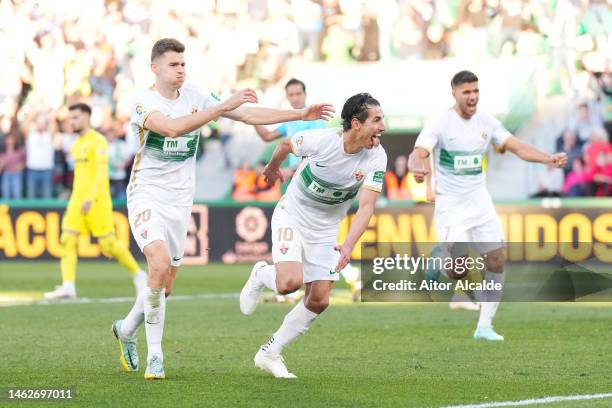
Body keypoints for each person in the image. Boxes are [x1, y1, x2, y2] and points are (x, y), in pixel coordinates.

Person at [110, 38, 334, 380]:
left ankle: (126, 329)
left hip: (180, 200)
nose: (181, 70)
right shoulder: (142, 102)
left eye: (183, 64)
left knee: (164, 286)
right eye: (173, 64)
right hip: (147, 194)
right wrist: (219, 108)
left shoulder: (196, 94)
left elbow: (245, 114)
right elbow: (171, 127)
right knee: (156, 264)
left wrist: (299, 114)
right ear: (155, 68)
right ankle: (155, 355)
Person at [408, 70, 567, 341]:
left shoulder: (487, 122)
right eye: (467, 92)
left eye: (476, 91)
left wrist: (547, 158)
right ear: (454, 94)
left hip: (480, 202)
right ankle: (440, 259)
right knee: (458, 269)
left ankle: (484, 326)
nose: (472, 97)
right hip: (451, 206)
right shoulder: (440, 124)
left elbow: (516, 146)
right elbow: (418, 153)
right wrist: (417, 168)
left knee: (496, 260)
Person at [239, 93, 387, 378]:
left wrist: (347, 246)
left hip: (325, 230)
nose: (383, 126)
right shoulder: (322, 140)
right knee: (288, 284)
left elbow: (366, 207)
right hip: (292, 215)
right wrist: (272, 168)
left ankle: (270, 353)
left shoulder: (376, 157)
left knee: (319, 300)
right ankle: (260, 275)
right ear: (356, 124)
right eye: (377, 120)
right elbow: (284, 144)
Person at [44, 103, 147, 300]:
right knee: (67, 240)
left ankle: (139, 274)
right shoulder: (75, 145)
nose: (71, 121)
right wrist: (75, 196)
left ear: (86, 117)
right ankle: (68, 286)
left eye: (75, 117)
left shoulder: (98, 141)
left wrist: (90, 198)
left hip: (97, 200)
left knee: (108, 244)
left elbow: (101, 175)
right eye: (70, 118)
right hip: (77, 200)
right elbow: (81, 176)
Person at [253, 78, 327, 169]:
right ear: (287, 97)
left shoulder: (315, 116)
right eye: (291, 95)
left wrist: (291, 170)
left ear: (305, 94)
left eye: (298, 94)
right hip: (295, 174)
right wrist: (252, 118)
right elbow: (268, 136)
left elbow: (320, 149)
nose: (295, 98)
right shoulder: (289, 120)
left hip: (310, 173)